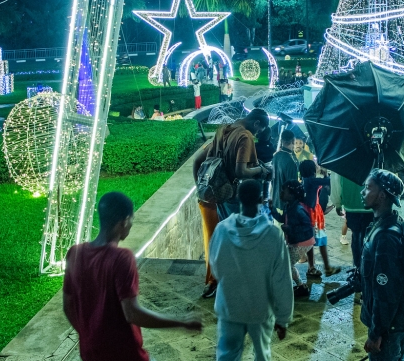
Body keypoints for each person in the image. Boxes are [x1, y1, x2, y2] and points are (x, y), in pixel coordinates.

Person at [63, 192, 201, 361]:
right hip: (125, 354)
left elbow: (68, 306)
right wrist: (181, 322)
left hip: (90, 353)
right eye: (132, 220)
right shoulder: (121, 258)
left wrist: (89, 335)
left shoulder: (75, 254)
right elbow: (132, 313)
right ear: (124, 221)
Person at [209, 180, 293, 361]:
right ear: (261, 199)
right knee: (262, 355)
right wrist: (283, 317)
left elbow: (216, 267)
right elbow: (282, 279)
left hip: (229, 308)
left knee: (227, 356)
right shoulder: (272, 235)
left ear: (238, 197)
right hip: (260, 310)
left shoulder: (222, 230)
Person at [192, 108, 271, 299]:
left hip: (220, 195)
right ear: (257, 124)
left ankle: (221, 282)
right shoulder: (245, 136)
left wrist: (200, 186)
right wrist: (261, 170)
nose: (257, 135)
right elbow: (241, 171)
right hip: (235, 197)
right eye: (259, 131)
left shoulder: (223, 130)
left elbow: (198, 160)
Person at [359, 169, 404, 361]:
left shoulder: (385, 236)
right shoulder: (390, 223)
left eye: (367, 188)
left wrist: (376, 333)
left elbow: (386, 291)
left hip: (388, 328)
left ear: (382, 195)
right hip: (395, 323)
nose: (362, 192)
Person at [299, 160, 340, 278]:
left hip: (311, 214)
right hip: (313, 216)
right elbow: (328, 181)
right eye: (315, 165)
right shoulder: (311, 181)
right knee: (319, 242)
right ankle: (317, 268)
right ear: (312, 170)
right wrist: (325, 173)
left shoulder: (305, 181)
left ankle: (314, 267)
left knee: (312, 242)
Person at [275, 180, 315, 297]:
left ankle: (301, 286)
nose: (281, 193)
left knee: (286, 264)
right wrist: (272, 209)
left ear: (292, 194)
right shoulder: (289, 206)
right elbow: (283, 218)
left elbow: (307, 227)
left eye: (284, 191)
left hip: (303, 241)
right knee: (285, 262)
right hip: (297, 240)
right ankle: (300, 285)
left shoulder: (298, 209)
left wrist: (290, 230)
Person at [331, 173, 373, 268]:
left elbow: (335, 182)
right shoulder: (373, 159)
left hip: (351, 205)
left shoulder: (344, 160)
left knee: (356, 236)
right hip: (370, 206)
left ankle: (357, 267)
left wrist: (337, 203)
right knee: (369, 238)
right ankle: (366, 268)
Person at [270, 131, 299, 218]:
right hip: (285, 206)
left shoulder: (275, 156)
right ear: (293, 141)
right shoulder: (290, 162)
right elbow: (292, 187)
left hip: (275, 202)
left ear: (282, 141)